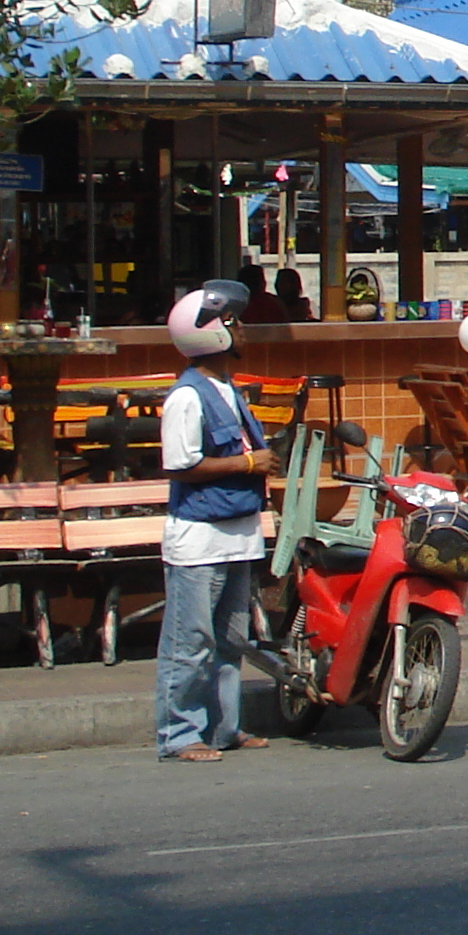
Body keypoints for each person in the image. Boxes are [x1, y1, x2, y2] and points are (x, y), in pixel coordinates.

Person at [156, 280, 272, 764]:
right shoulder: (187, 397)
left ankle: (225, 728)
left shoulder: (228, 390)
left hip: (238, 535)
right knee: (191, 642)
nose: (242, 331)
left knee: (230, 641)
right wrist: (248, 465)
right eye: (234, 324)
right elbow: (181, 465)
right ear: (212, 335)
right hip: (200, 540)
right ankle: (179, 735)